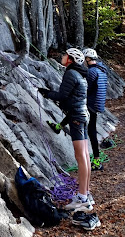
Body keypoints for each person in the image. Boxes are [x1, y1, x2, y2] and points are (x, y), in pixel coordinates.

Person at [39, 48, 94, 212]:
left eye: (65, 55)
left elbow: (63, 95)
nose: (62, 57)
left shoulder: (71, 74)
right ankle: (86, 193)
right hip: (82, 115)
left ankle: (83, 198)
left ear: (70, 59)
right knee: (84, 155)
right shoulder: (80, 75)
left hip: (77, 117)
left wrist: (47, 93)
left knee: (80, 156)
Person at [83, 48, 108, 171]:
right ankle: (59, 126)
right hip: (98, 104)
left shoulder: (92, 72)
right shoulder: (101, 69)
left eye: (84, 59)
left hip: (92, 104)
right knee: (92, 129)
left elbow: (86, 88)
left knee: (91, 131)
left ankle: (97, 161)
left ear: (87, 59)